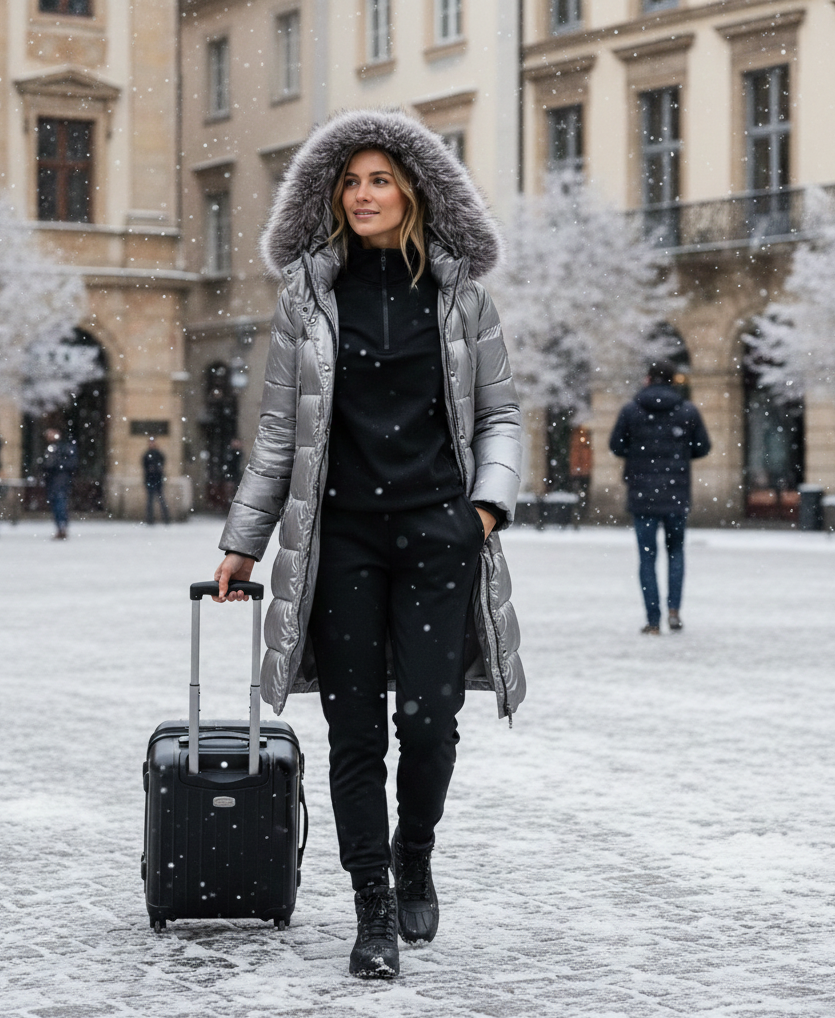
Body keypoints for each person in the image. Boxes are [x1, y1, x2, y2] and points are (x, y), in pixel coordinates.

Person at [211, 110, 525, 979]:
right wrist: (244, 541)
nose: (363, 195)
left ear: (413, 190)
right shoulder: (308, 296)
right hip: (340, 540)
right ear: (330, 195)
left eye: (379, 180)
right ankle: (373, 907)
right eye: (350, 182)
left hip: (438, 535)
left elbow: (500, 415)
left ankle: (414, 848)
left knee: (428, 724)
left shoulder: (460, 295)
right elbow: (280, 434)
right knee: (355, 736)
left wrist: (484, 514)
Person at [609, 359, 711, 634]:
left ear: (648, 379)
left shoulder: (631, 410)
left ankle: (653, 621)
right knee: (676, 552)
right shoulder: (687, 410)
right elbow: (703, 447)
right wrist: (679, 454)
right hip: (676, 493)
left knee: (646, 557)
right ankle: (674, 611)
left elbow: (616, 445)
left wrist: (638, 452)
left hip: (642, 494)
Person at [41, 428, 78, 540]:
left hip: (60, 480)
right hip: (53, 480)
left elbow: (71, 463)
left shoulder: (64, 447)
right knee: (56, 504)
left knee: (60, 503)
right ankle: (60, 527)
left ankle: (62, 527)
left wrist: (56, 465)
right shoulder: (50, 448)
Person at [142, 437, 170, 524]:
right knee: (150, 501)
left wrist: (157, 469)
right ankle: (150, 519)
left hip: (157, 479)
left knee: (161, 500)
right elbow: (145, 466)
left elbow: (162, 464)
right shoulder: (147, 454)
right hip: (150, 479)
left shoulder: (158, 454)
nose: (151, 444)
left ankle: (166, 519)